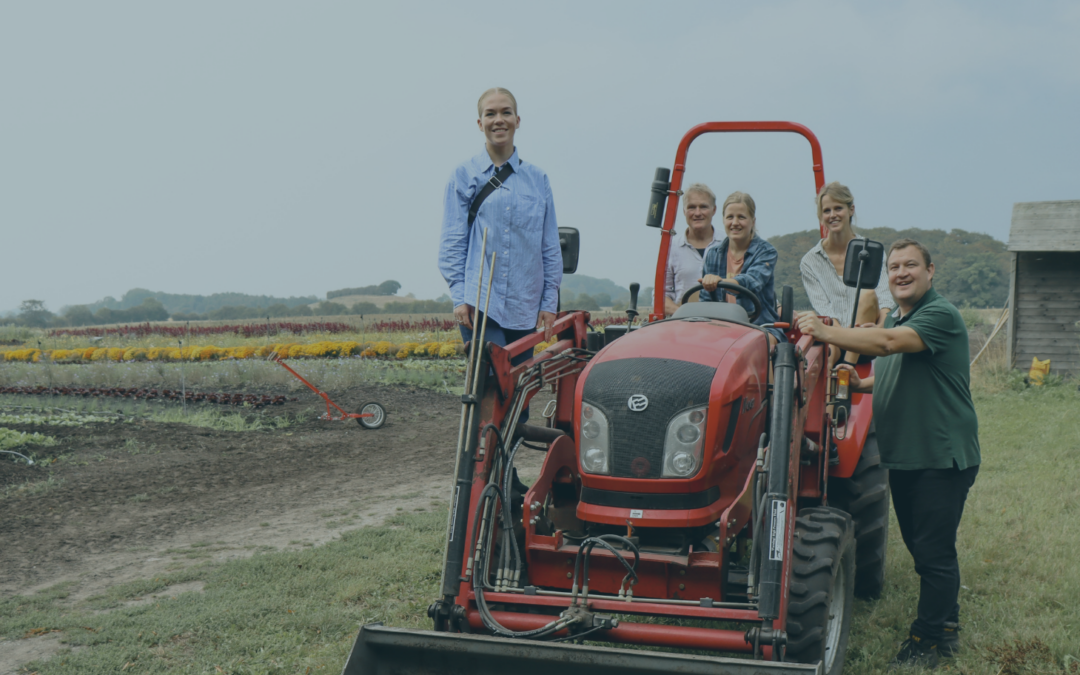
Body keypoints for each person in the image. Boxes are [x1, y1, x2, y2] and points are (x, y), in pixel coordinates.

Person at [795, 239, 981, 670]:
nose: (900, 273)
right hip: (908, 457)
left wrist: (825, 331)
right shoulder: (900, 315)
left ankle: (927, 641)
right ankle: (946, 626)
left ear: (930, 271)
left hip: (941, 456)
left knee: (934, 553)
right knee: (923, 550)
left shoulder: (939, 315)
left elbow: (886, 344)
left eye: (910, 265)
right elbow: (895, 369)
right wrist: (860, 384)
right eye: (894, 267)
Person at [438, 87, 562, 425]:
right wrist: (459, 296)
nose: (499, 120)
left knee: (519, 393)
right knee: (490, 388)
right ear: (479, 123)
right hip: (481, 303)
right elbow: (451, 242)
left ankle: (510, 459)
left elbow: (549, 245)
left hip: (525, 303)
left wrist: (549, 302)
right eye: (490, 114)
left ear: (518, 120)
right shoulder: (464, 175)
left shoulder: (538, 179)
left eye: (506, 112)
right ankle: (482, 458)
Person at [800, 182, 894, 366]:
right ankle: (825, 378)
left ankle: (848, 366)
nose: (832, 215)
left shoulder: (871, 252)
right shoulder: (810, 261)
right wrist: (840, 337)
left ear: (851, 210)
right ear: (821, 216)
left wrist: (880, 328)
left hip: (868, 336)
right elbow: (825, 309)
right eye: (827, 211)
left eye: (838, 208)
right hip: (834, 337)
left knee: (867, 294)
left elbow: (885, 298)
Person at [699, 191, 785, 344]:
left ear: (752, 221)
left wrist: (719, 282)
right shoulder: (713, 254)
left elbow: (751, 282)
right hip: (722, 329)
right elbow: (705, 301)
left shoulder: (766, 252)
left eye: (741, 217)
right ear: (723, 220)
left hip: (759, 327)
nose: (735, 223)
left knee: (754, 347)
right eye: (730, 217)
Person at [663, 183, 725, 316]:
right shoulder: (670, 248)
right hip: (684, 323)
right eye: (692, 207)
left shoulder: (728, 243)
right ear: (684, 211)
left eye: (703, 207)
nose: (697, 213)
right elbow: (661, 297)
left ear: (714, 210)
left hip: (724, 321)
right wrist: (685, 316)